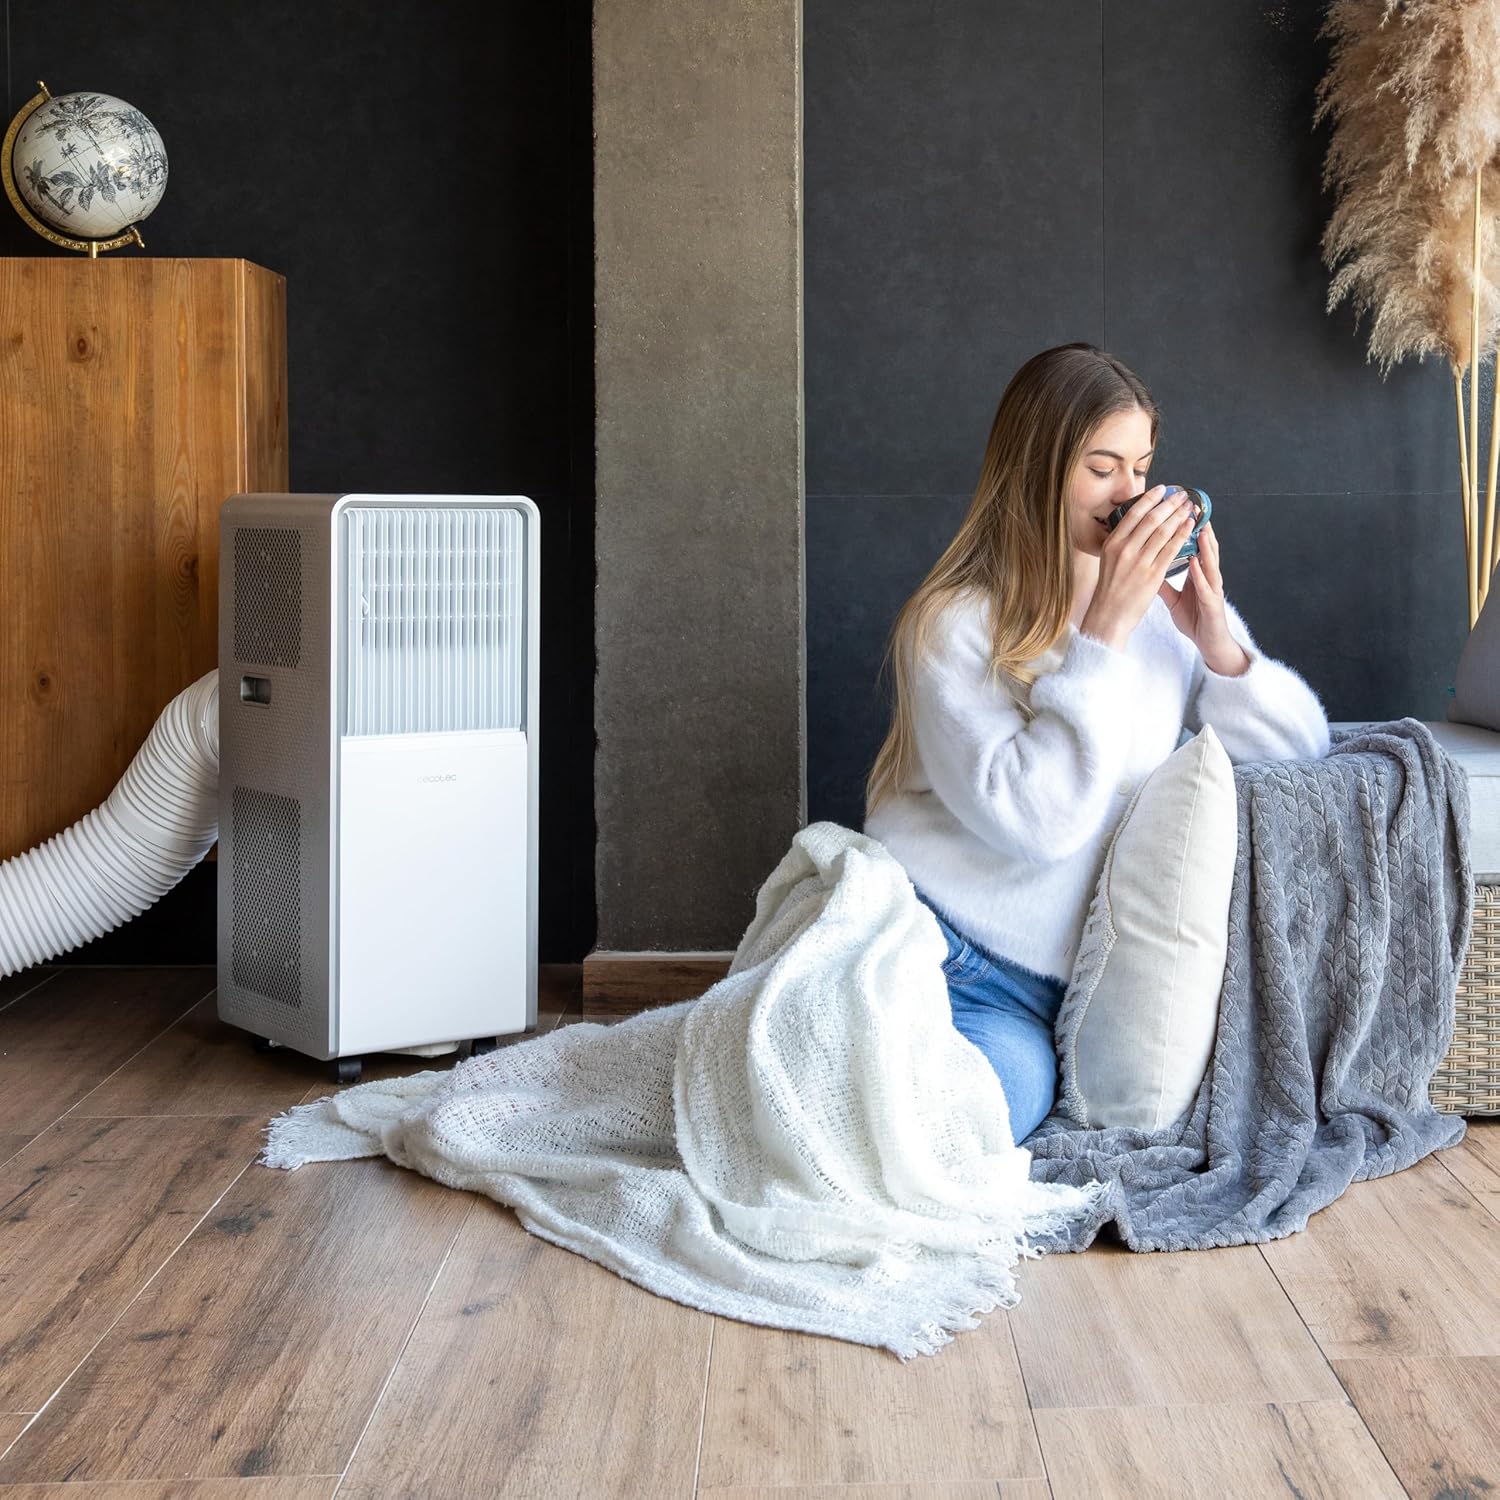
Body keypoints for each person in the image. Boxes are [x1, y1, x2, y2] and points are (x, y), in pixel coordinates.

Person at [861, 343, 1331, 1143]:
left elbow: (1299, 753)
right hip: (925, 944)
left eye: (1142, 469)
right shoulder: (953, 623)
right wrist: (1102, 633)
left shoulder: (1156, 611)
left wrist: (1217, 642)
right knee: (904, 1115)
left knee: (977, 1120)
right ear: (1038, 470)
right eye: (1103, 468)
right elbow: (1039, 826)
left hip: (1047, 995)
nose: (1130, 495)